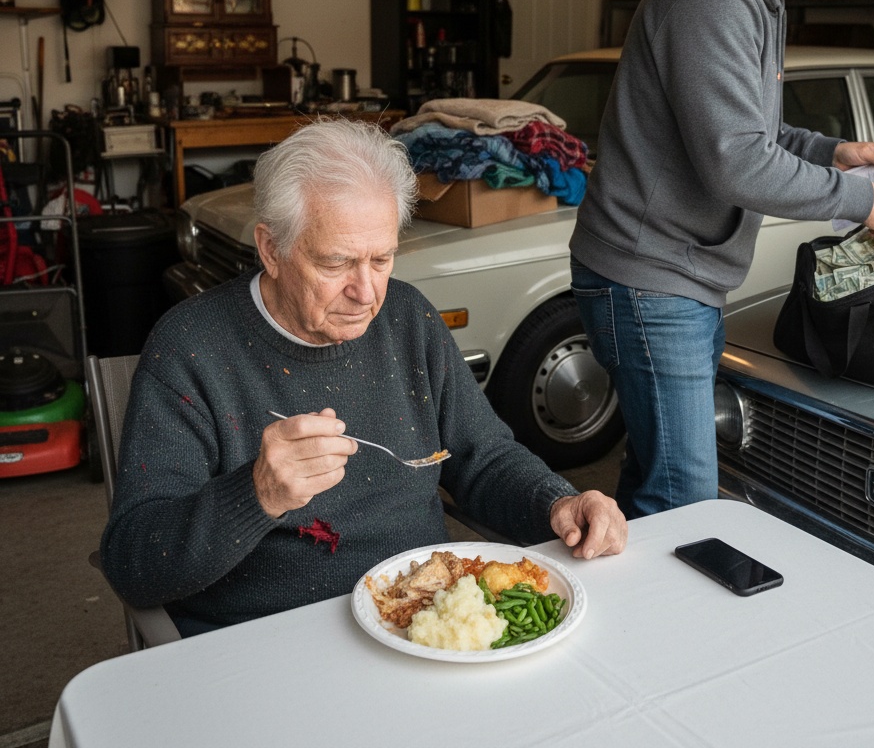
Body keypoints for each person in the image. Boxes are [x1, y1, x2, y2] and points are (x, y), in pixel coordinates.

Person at [101, 118, 626, 637]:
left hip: (420, 625)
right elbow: (133, 563)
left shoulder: (408, 318)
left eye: (382, 258)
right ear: (271, 249)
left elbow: (483, 458)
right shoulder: (190, 349)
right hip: (269, 639)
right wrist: (257, 494)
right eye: (336, 264)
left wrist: (558, 503)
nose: (367, 292)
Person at [569, 0, 874, 520]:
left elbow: (750, 134)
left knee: (654, 481)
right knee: (685, 501)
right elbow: (737, 162)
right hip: (650, 279)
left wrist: (833, 153)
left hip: (679, 278)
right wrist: (860, 200)